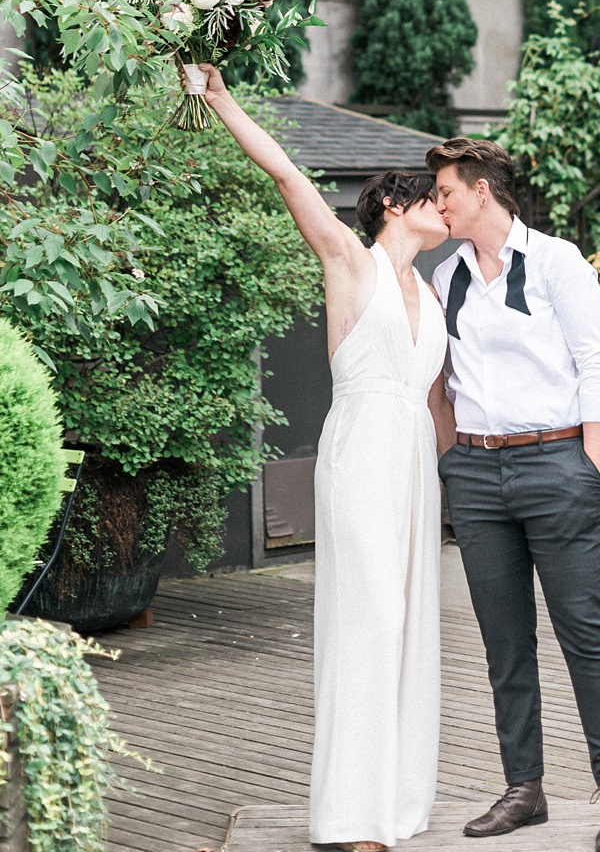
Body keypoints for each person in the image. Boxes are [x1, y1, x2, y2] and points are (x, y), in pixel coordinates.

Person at [198, 66, 451, 851]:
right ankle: (350, 815)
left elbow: (438, 405)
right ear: (393, 206)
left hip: (415, 464)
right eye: (432, 198)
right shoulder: (350, 258)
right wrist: (221, 98)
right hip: (362, 454)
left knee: (410, 623)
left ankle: (394, 803)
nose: (446, 208)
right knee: (366, 620)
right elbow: (284, 171)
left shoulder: (434, 293)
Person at [425, 138, 600, 851]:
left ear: (481, 191)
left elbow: (595, 368)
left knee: (587, 636)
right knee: (504, 643)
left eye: (447, 192)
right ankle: (525, 790)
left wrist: (587, 470)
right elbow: (440, 380)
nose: (440, 204)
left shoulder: (557, 262)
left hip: (556, 464)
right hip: (479, 477)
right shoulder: (446, 275)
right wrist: (453, 460)